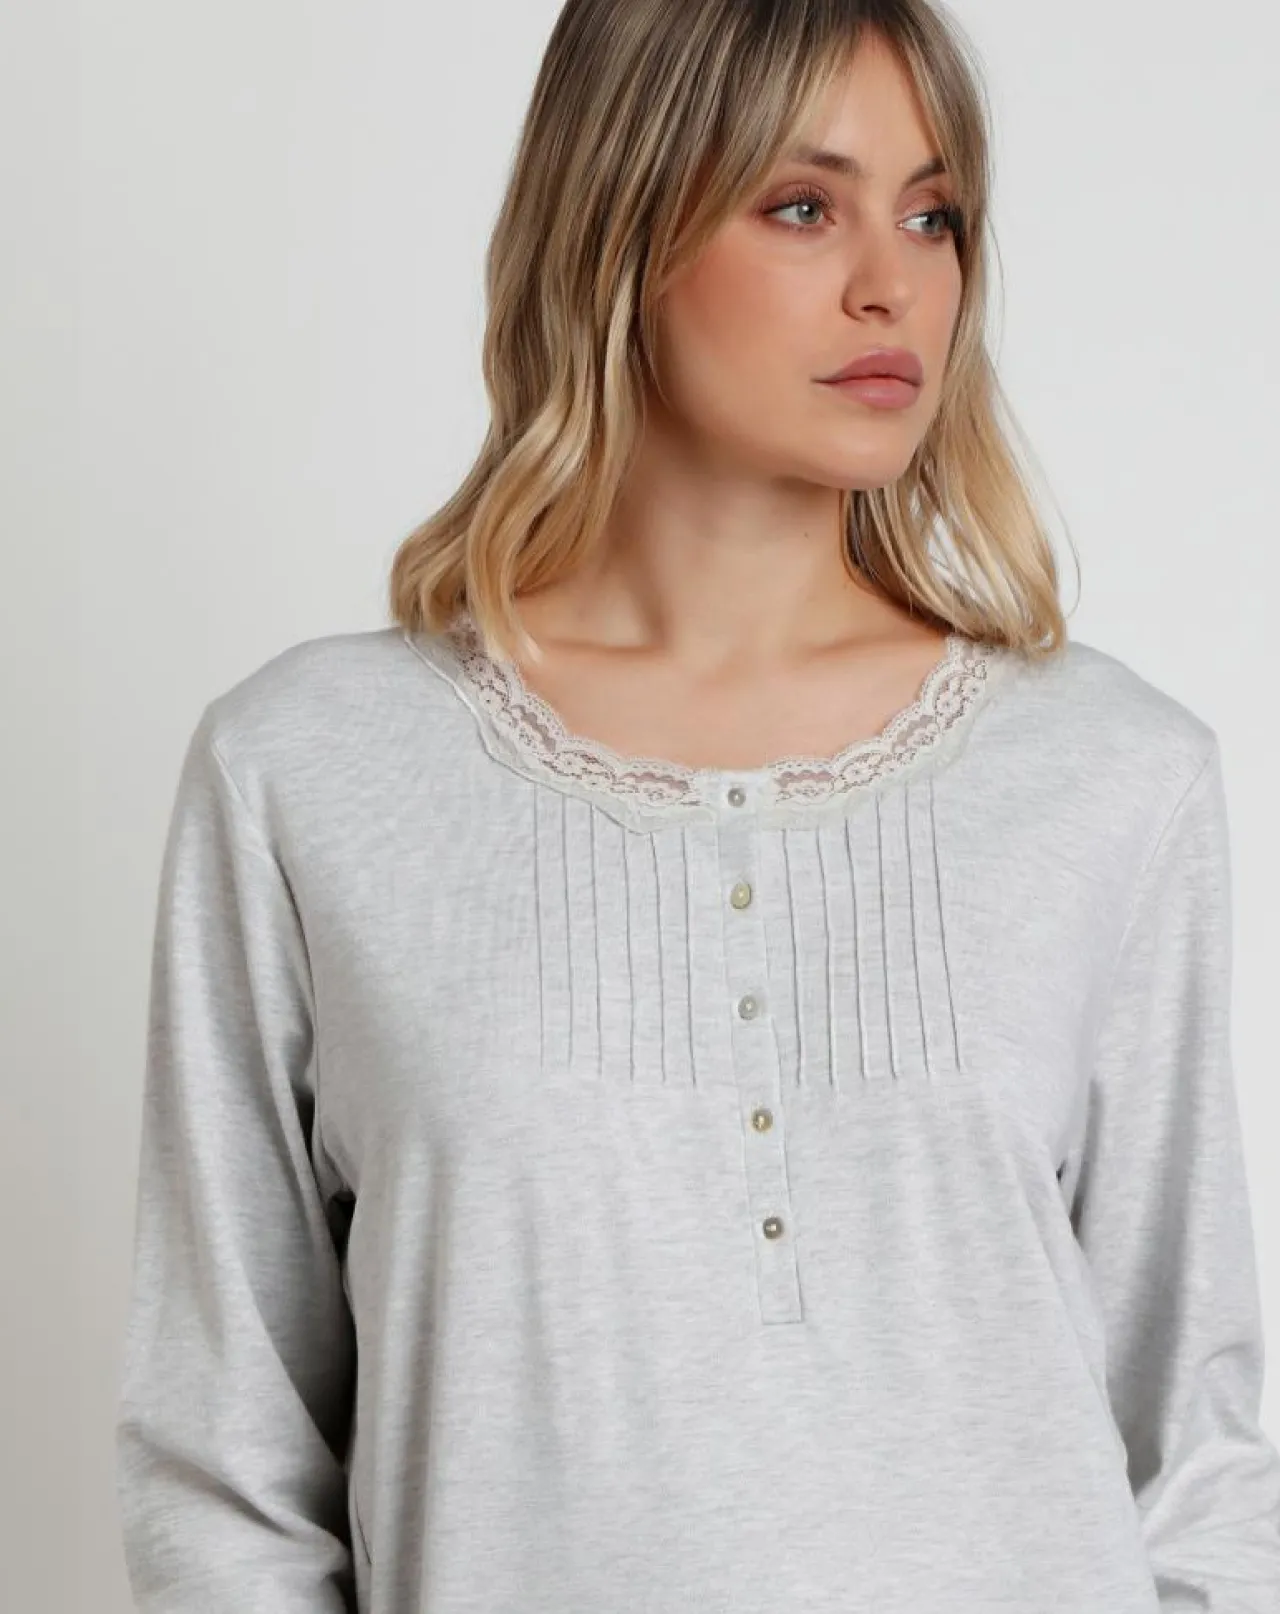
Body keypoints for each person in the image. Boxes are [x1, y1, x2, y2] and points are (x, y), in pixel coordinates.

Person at [113, 1, 1280, 1609]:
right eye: (803, 206)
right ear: (617, 228)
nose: (893, 284)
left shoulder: (1111, 773)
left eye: (933, 215)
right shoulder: (307, 770)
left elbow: (1201, 1458)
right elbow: (223, 1470)